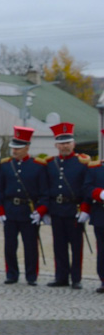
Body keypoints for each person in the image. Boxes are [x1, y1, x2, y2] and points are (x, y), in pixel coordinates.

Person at [0, 126, 49, 286]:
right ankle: (11, 274)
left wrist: (40, 211)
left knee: (31, 246)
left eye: (18, 148)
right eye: (13, 148)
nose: (15, 151)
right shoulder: (5, 166)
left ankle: (31, 275)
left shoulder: (38, 166)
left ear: (27, 147)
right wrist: (0, 210)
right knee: (10, 245)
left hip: (28, 211)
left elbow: (44, 192)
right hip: (10, 209)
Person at [44, 122, 89, 289]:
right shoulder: (50, 164)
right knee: (59, 245)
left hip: (74, 210)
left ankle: (76, 278)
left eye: (68, 142)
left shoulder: (82, 163)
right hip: (56, 209)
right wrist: (46, 211)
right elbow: (46, 188)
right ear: (56, 145)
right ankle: (61, 276)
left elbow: (86, 188)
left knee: (76, 246)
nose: (65, 146)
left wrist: (85, 209)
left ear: (73, 144)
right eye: (61, 143)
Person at [81, 133, 104, 293]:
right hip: (101, 216)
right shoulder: (95, 168)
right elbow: (86, 188)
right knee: (102, 250)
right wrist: (100, 194)